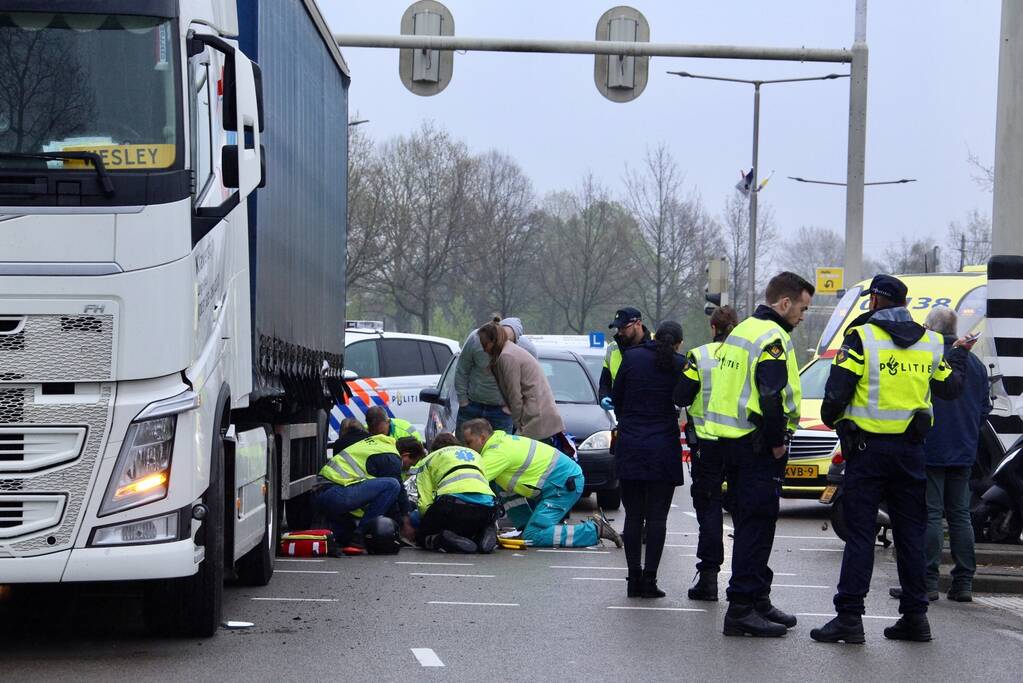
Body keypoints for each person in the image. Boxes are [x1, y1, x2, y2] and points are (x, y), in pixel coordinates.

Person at [810, 275, 972, 644]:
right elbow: (949, 388)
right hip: (911, 452)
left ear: (877, 302)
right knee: (911, 534)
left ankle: (849, 618)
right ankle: (915, 618)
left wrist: (838, 422)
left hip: (867, 452)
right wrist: (959, 353)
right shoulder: (930, 343)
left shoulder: (862, 338)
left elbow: (836, 392)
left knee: (860, 536)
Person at [678, 271, 813, 637]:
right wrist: (776, 441)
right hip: (756, 446)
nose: (803, 316)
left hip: (729, 444)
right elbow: (769, 396)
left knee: (751, 525)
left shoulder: (743, 331)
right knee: (756, 527)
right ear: (784, 303)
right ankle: (741, 608)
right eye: (802, 308)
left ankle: (756, 599)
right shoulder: (772, 338)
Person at [611, 320, 687, 598]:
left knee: (633, 515)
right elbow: (683, 400)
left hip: (631, 442)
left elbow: (617, 397)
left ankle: (633, 579)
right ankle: (651, 580)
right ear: (678, 343)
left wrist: (629, 419)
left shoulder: (631, 358)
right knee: (657, 518)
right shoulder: (680, 364)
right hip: (663, 446)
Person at [461, 419, 623, 548]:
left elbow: (471, 482)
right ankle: (525, 525)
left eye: (469, 442)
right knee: (501, 484)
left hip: (562, 486)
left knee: (533, 536)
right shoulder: (501, 441)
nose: (466, 447)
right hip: (559, 481)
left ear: (482, 438)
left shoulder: (497, 453)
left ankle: (594, 530)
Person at [676, 305, 739, 601]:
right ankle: (743, 579)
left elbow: (681, 396)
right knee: (743, 512)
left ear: (713, 328)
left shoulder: (699, 356)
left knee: (710, 509)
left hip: (707, 445)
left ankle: (709, 578)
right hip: (740, 444)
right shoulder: (746, 356)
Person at [313, 422, 409, 548]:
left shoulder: (378, 445)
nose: (408, 469)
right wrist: (401, 525)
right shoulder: (391, 457)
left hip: (323, 491)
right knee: (392, 485)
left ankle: (350, 535)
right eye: (411, 464)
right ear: (405, 454)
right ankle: (359, 536)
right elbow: (395, 495)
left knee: (344, 535)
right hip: (333, 491)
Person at [398, 435, 499, 554]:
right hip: (488, 508)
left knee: (423, 535)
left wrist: (426, 524)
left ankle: (443, 539)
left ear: (434, 449)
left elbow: (424, 503)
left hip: (452, 505)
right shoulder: (475, 455)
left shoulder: (430, 459)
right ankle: (483, 533)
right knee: (470, 522)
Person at [479, 321, 566, 446]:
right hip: (538, 414)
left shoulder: (507, 356)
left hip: (535, 416)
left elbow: (514, 395)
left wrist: (518, 425)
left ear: (493, 341)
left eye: (484, 344)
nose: (483, 348)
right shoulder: (508, 351)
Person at [455, 318, 515, 435]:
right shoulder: (474, 339)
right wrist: (463, 401)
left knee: (500, 450)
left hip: (501, 411)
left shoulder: (512, 346)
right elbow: (462, 369)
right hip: (472, 406)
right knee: (464, 450)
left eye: (485, 346)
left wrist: (510, 407)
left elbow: (521, 380)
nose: (484, 349)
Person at [598, 307, 651, 410]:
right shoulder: (612, 348)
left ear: (638, 323)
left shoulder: (657, 344)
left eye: (624, 327)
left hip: (652, 416)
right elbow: (605, 383)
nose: (620, 332)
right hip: (624, 417)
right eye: (618, 328)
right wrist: (604, 397)